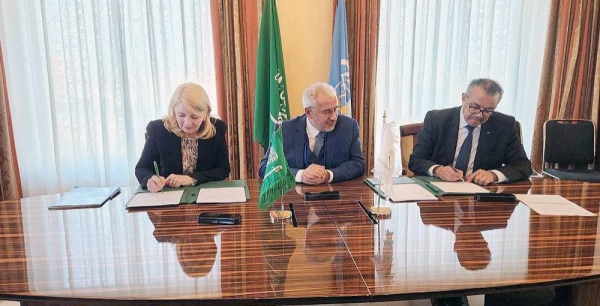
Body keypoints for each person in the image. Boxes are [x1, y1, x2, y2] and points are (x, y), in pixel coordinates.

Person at [408, 78, 532, 185]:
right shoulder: (437, 119)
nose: (479, 115)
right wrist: (438, 170)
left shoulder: (504, 125)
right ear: (464, 98)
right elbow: (416, 160)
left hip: (482, 196)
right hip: (440, 192)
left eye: (488, 111)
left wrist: (493, 175)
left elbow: (524, 166)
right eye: (475, 107)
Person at [258, 82, 365, 185]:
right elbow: (266, 168)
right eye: (327, 112)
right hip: (294, 198)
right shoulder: (285, 130)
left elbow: (358, 164)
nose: (334, 117)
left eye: (335, 109)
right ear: (309, 112)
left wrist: (329, 175)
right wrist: (300, 175)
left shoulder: (348, 127)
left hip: (336, 197)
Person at [135, 82, 230, 192]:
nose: (187, 123)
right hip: (167, 197)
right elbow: (142, 168)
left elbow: (223, 169)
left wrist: (192, 178)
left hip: (204, 198)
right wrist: (150, 180)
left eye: (194, 117)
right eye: (181, 115)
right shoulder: (158, 130)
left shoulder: (217, 129)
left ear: (205, 114)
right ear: (174, 112)